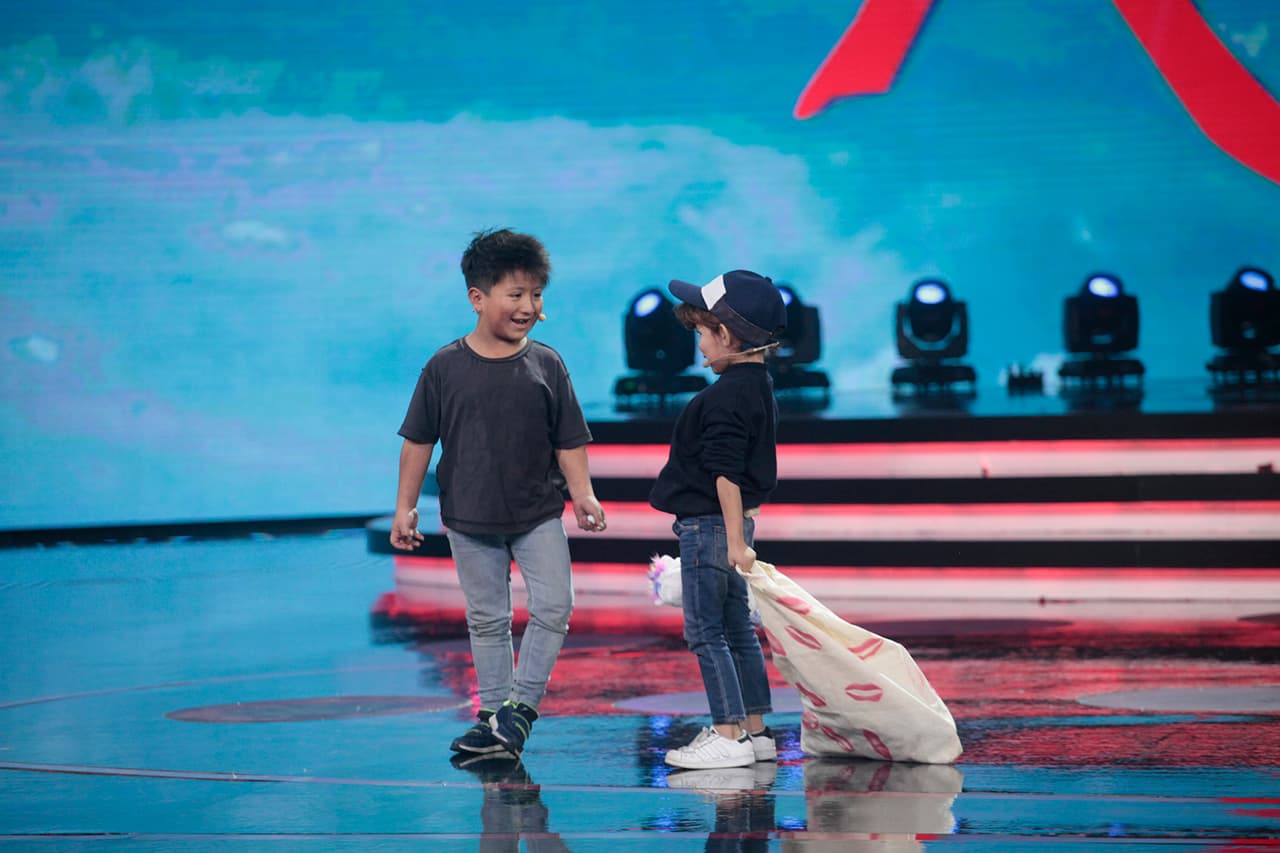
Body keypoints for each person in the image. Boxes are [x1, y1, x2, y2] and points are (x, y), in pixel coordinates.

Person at [390, 228, 608, 758]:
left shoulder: (548, 364)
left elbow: (569, 439)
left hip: (536, 513)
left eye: (536, 295)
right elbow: (419, 440)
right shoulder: (444, 367)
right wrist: (405, 506)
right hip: (468, 517)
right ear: (477, 297)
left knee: (554, 605)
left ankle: (520, 709)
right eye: (516, 295)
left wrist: (583, 494)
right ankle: (492, 717)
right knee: (486, 618)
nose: (528, 306)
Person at [649, 269, 786, 771]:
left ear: (726, 335)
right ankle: (755, 730)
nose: (701, 345)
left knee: (706, 631)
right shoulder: (755, 385)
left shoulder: (726, 394)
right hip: (726, 526)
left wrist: (732, 541)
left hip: (711, 527)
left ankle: (728, 733)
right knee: (736, 629)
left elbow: (726, 473)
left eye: (703, 334)